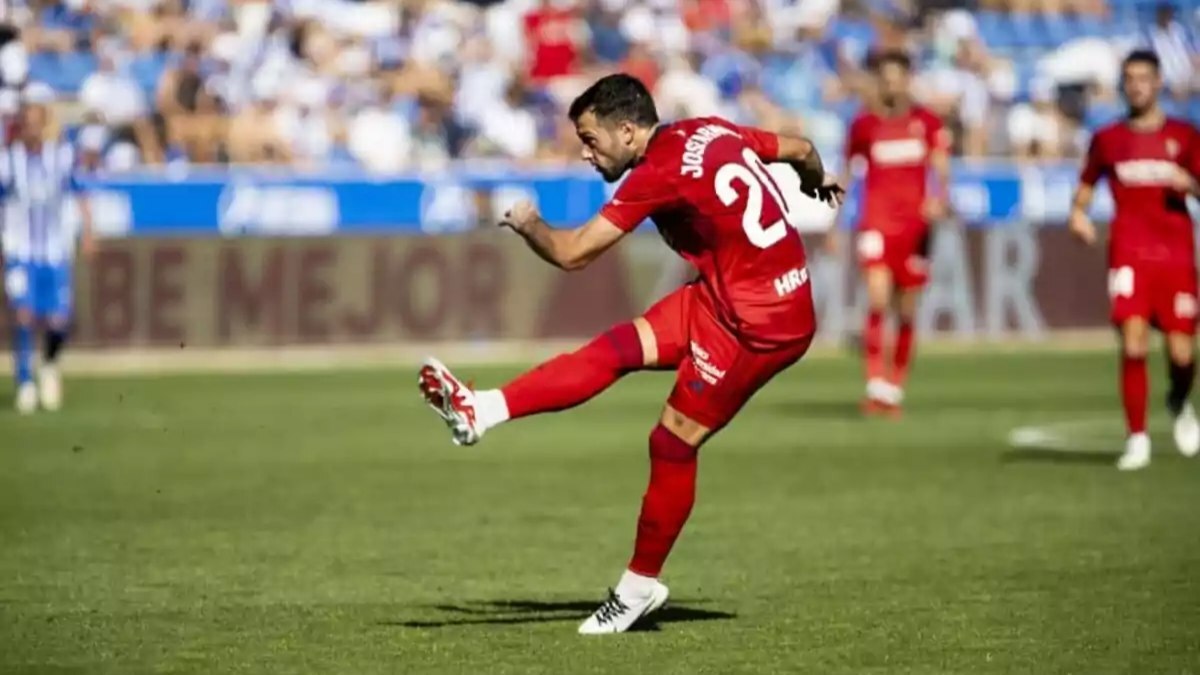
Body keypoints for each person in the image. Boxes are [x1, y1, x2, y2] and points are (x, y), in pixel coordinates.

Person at [417, 74, 842, 634]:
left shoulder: (658, 174)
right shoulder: (709, 130)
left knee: (670, 443)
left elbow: (572, 254)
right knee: (614, 349)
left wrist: (528, 225)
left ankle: (638, 588)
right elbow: (804, 150)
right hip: (727, 298)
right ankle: (482, 409)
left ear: (627, 131)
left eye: (591, 141)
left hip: (760, 326)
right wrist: (817, 182)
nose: (587, 154)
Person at [1068, 50, 1200, 471]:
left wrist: (1189, 183)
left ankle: (1178, 402)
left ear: (1159, 82)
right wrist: (1078, 216)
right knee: (1133, 341)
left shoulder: (1185, 136)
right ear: (1123, 84)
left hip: (1176, 254)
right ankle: (1137, 437)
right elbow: (1086, 184)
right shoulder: (1108, 139)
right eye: (1129, 78)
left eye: (1144, 77)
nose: (1136, 85)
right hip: (1129, 252)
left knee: (1182, 354)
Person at [828, 50, 951, 417]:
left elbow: (942, 170)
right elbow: (847, 174)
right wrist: (835, 224)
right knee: (878, 298)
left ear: (908, 80)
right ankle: (874, 384)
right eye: (886, 78)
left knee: (908, 310)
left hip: (915, 228)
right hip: (876, 222)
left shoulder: (926, 123)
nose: (892, 84)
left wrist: (939, 200)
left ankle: (894, 387)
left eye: (898, 77)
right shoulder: (864, 125)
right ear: (878, 82)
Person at [2, 82, 95, 414]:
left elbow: (80, 191)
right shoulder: (9, 162)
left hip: (54, 250)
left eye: (36, 122)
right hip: (20, 249)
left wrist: (88, 231)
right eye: (25, 123)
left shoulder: (61, 156)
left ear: (44, 125)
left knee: (58, 320)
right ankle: (25, 382)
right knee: (23, 315)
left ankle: (50, 365)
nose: (31, 129)